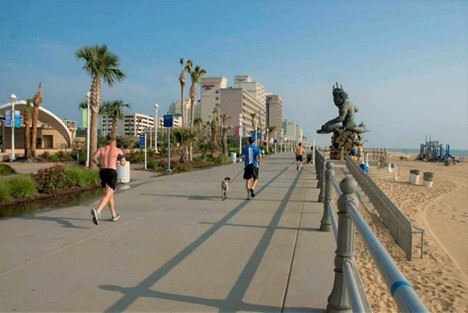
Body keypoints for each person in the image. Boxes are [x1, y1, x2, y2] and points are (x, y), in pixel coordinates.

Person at [90, 136, 126, 225]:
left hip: (103, 172)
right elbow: (123, 163)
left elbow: (93, 158)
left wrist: (99, 165)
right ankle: (98, 211)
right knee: (108, 194)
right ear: (114, 141)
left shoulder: (102, 149)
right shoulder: (118, 150)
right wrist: (122, 157)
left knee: (109, 194)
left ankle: (114, 215)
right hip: (111, 172)